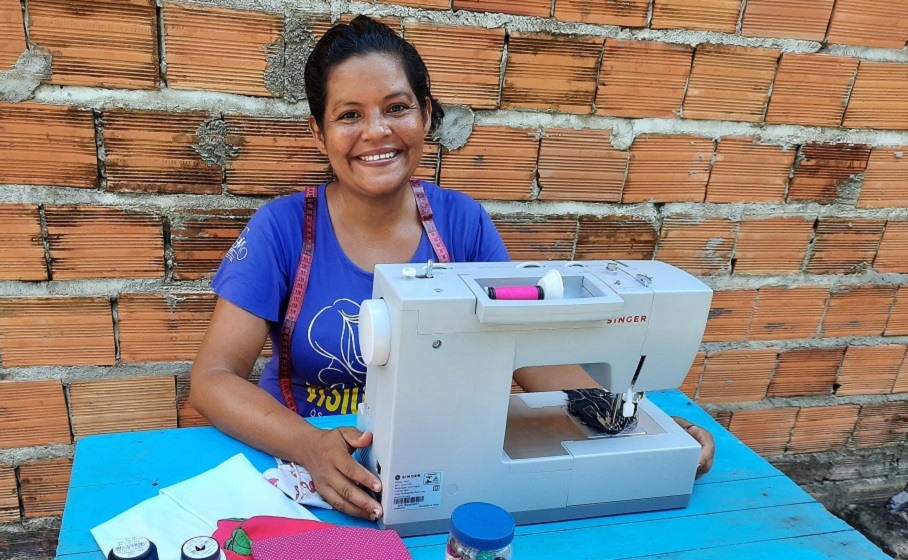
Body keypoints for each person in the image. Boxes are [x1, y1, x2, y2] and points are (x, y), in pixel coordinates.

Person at [190, 15, 714, 522]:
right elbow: (213, 378)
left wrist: (628, 417)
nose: (376, 132)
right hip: (301, 462)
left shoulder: (463, 224)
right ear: (318, 132)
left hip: (431, 461)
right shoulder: (280, 231)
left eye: (396, 107)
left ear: (425, 115)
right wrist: (306, 445)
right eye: (349, 114)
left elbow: (524, 349)